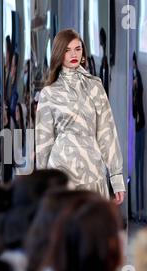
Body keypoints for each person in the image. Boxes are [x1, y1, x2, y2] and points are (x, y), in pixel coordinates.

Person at [35, 29, 125, 204]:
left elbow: (107, 132)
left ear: (83, 52)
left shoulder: (95, 86)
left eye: (77, 49)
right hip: (61, 175)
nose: (73, 54)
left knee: (93, 228)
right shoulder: (49, 93)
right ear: (59, 53)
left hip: (93, 174)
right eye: (67, 50)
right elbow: (43, 143)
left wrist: (116, 177)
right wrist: (41, 185)